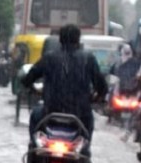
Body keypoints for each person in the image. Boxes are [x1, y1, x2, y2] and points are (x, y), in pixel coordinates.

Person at [22, 24, 107, 154]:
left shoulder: (49, 57)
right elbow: (102, 87)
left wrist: (33, 89)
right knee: (88, 128)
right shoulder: (88, 59)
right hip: (80, 114)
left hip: (50, 111)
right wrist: (96, 98)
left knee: (35, 115)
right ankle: (84, 152)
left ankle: (34, 148)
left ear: (60, 40)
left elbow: (28, 79)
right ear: (78, 40)